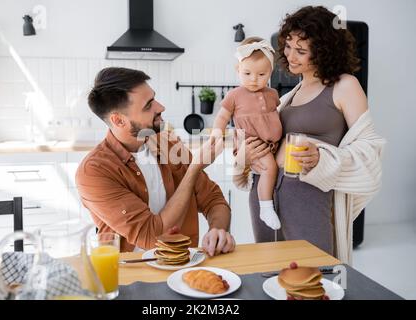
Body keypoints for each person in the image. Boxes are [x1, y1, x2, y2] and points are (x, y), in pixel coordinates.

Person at [233, 6, 385, 264]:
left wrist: (322, 158)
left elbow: (370, 148)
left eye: (301, 50)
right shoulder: (291, 93)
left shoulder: (344, 86)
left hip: (306, 199)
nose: (291, 55)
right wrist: (246, 155)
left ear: (325, 52)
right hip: (265, 197)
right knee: (270, 274)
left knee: (313, 275)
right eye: (289, 46)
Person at [76, 67, 236, 256]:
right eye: (148, 105)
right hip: (129, 274)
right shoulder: (94, 172)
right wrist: (194, 169)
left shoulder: (167, 143)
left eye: (154, 98)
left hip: (183, 265)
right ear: (119, 121)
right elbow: (152, 237)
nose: (160, 107)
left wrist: (217, 230)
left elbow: (213, 200)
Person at [212, 36, 282, 232]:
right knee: (269, 168)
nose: (254, 79)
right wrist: (217, 134)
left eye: (261, 74)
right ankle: (265, 207)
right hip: (251, 142)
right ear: (238, 70)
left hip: (270, 143)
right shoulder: (234, 95)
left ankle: (269, 202)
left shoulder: (272, 94)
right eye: (248, 73)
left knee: (272, 169)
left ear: (270, 73)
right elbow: (222, 117)